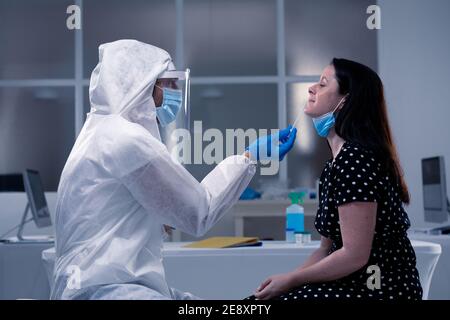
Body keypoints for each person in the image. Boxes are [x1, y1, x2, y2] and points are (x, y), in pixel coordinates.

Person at [50, 39, 297, 300]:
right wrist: (249, 157)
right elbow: (199, 211)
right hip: (110, 290)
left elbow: (117, 209)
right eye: (169, 82)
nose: (175, 90)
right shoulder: (127, 140)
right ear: (142, 84)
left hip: (105, 284)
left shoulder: (100, 132)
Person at [245, 58, 422, 301]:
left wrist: (291, 281)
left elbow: (354, 255)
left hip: (379, 289)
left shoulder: (355, 160)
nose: (311, 89)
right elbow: (325, 249)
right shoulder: (334, 165)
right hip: (352, 282)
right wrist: (285, 282)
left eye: (322, 84)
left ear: (345, 100)